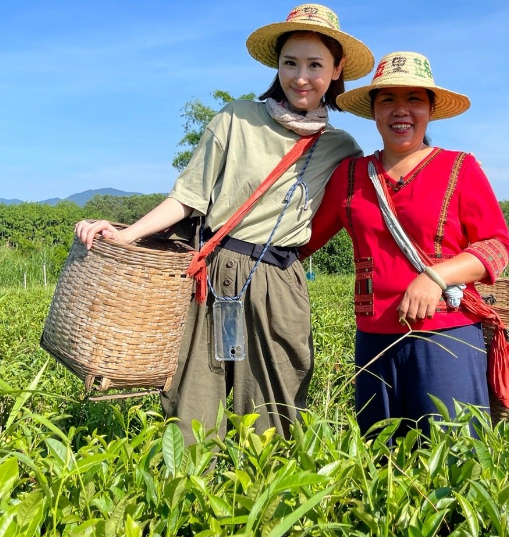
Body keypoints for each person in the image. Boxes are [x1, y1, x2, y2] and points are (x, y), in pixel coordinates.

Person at [74, 4, 374, 444]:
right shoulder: (236, 117)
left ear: (336, 70)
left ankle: (267, 500)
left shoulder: (341, 146)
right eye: (290, 63)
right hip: (213, 270)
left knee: (277, 402)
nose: (301, 77)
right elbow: (187, 196)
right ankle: (191, 496)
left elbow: (359, 206)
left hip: (280, 279)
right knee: (195, 398)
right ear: (277, 66)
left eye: (315, 65)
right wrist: (126, 234)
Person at [299, 51, 509, 440]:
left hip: (446, 336)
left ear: (430, 109)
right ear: (374, 112)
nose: (401, 111)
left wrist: (435, 277)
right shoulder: (351, 174)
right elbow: (304, 240)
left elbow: (497, 246)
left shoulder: (459, 167)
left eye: (414, 99)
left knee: (454, 457)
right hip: (374, 338)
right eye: (388, 100)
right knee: (381, 459)